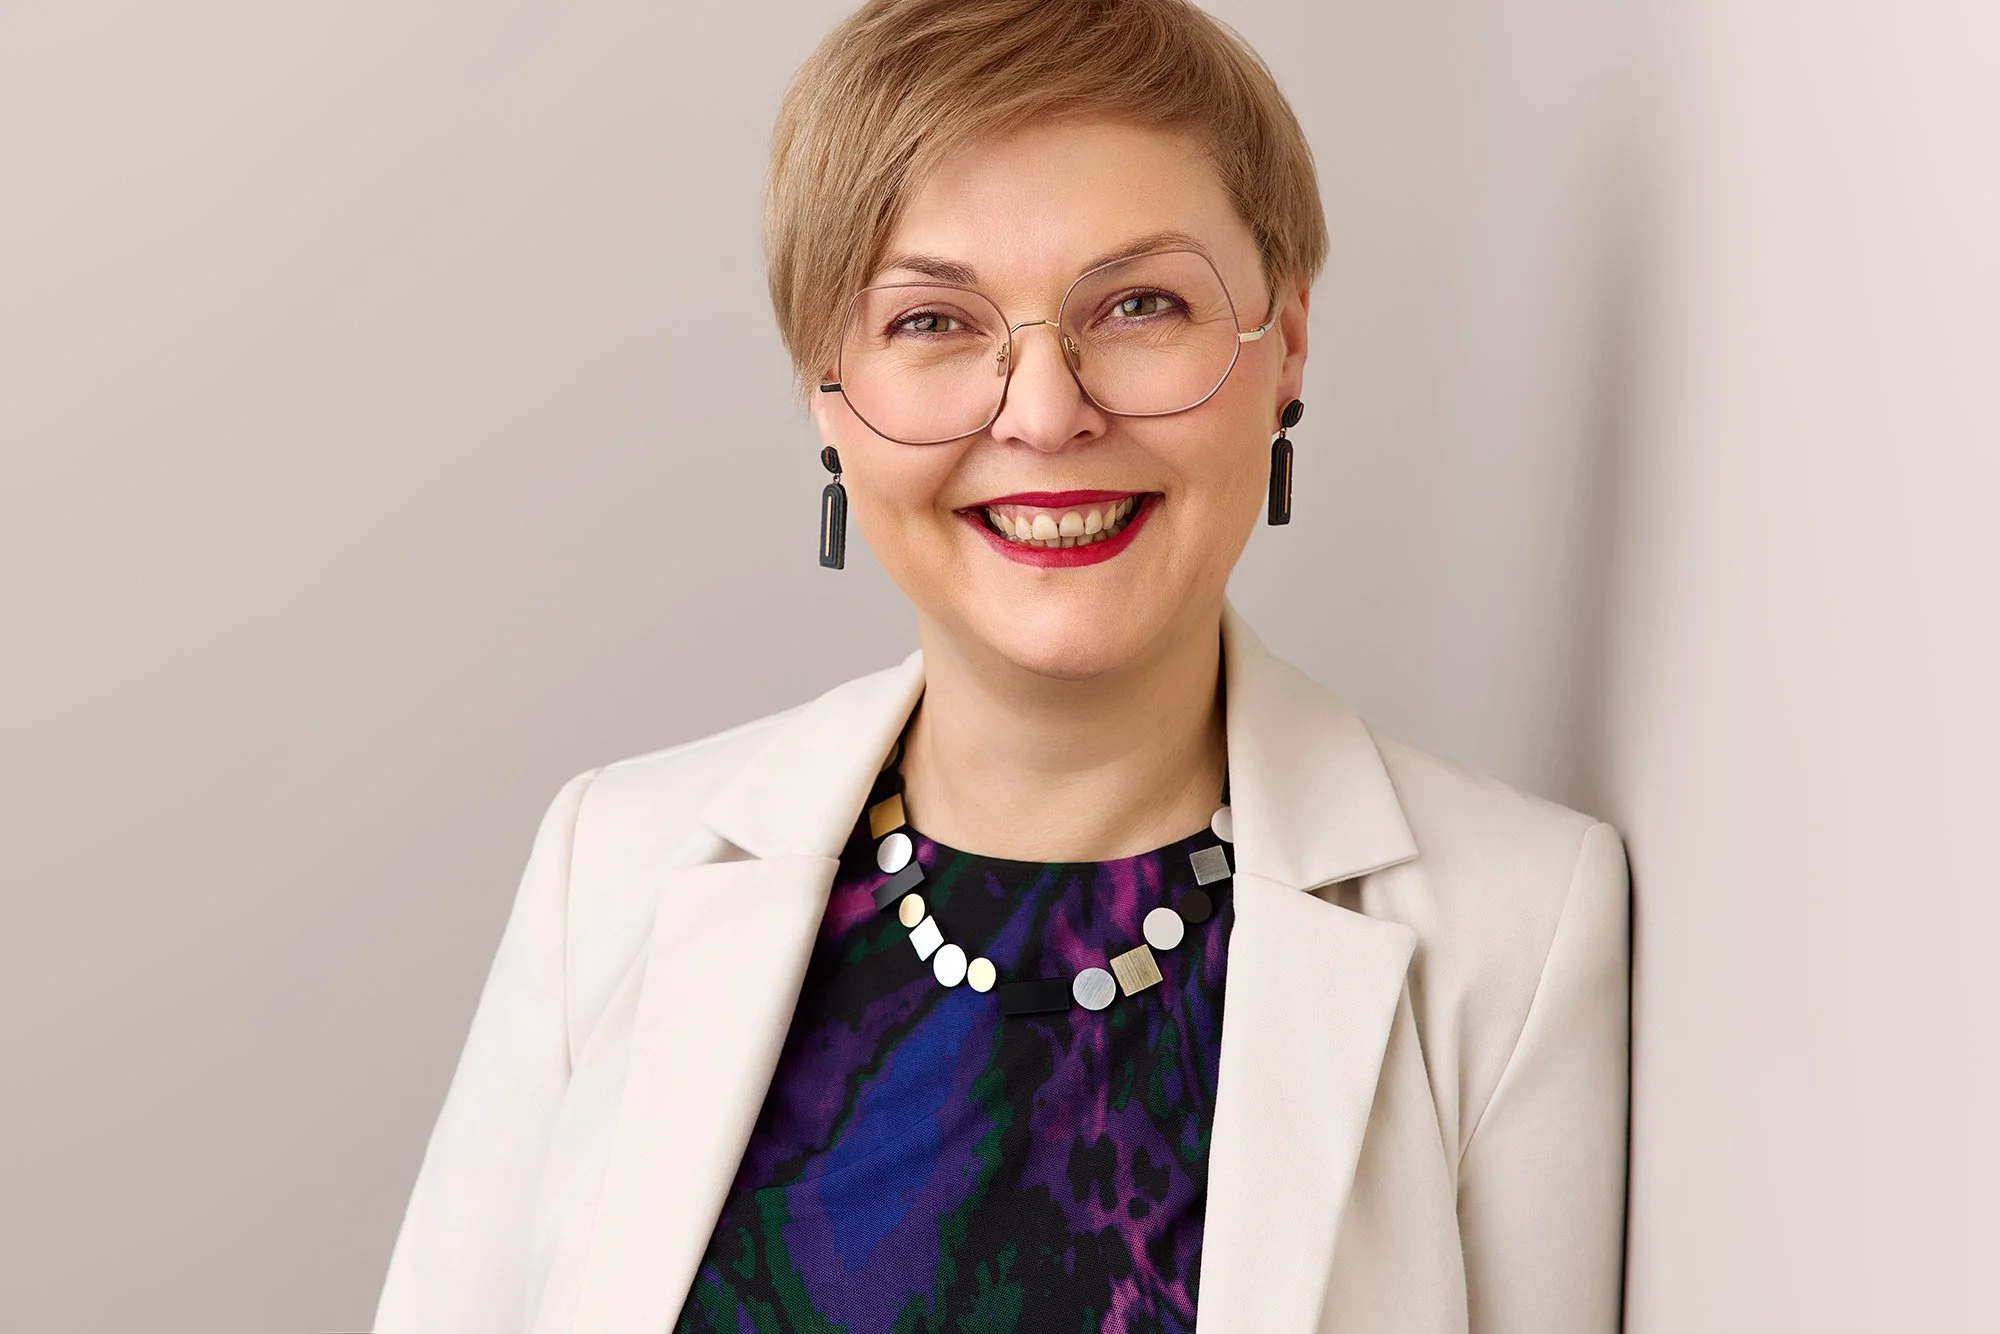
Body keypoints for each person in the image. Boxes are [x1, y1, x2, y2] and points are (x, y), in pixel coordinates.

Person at [372, 1, 1630, 1330]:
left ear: (1289, 344)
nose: (1045, 412)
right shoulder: (607, 872)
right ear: (827, 385)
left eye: (1140, 303)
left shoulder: (1520, 929)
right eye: (933, 321)